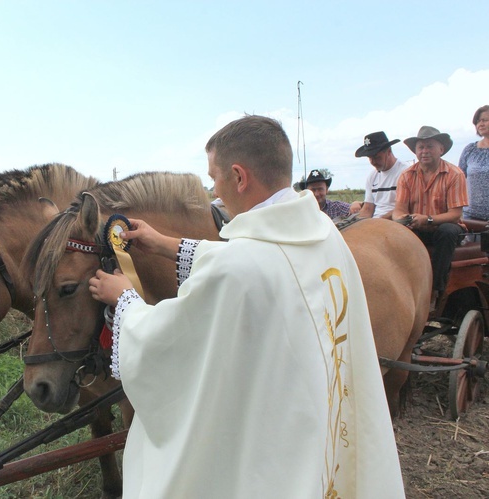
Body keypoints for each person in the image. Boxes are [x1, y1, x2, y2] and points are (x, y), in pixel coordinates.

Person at [88, 115, 404, 498]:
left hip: (275, 448)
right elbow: (248, 258)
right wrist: (163, 243)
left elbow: (168, 338)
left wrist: (124, 300)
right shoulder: (318, 232)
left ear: (239, 176)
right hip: (317, 413)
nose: (215, 191)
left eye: (215, 178)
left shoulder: (240, 265)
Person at [393, 126, 468, 311]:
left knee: (447, 231)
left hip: (445, 228)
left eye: (429, 146)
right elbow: (398, 210)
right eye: (421, 147)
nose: (424, 151)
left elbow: (455, 214)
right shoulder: (406, 176)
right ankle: (400, 287)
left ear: (441, 149)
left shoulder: (454, 174)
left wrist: (427, 220)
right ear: (415, 151)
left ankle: (435, 290)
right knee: (395, 235)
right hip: (417, 226)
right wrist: (402, 219)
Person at [353, 131, 409, 219]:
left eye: (377, 157)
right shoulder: (372, 176)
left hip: (396, 221)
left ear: (389, 152)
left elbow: (406, 208)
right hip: (376, 223)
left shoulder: (406, 172)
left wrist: (379, 221)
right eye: (370, 158)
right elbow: (368, 209)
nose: (373, 162)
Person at [459, 105, 489, 221]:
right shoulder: (470, 149)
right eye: (478, 121)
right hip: (472, 217)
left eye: (485, 120)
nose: (480, 124)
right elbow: (459, 179)